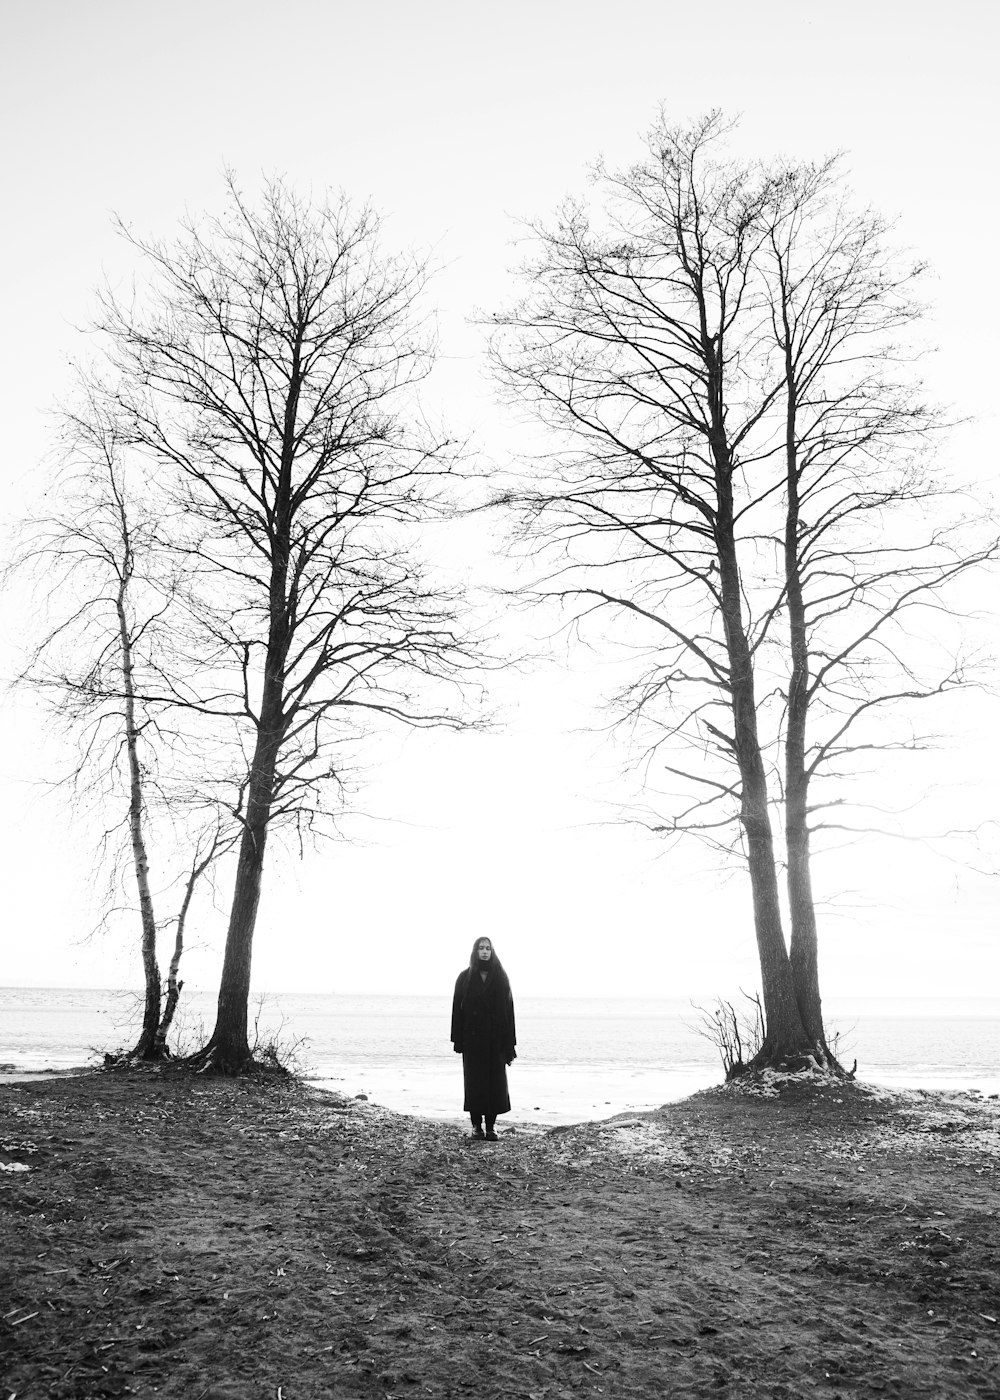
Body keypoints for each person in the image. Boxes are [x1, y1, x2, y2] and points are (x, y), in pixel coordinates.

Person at [450, 936, 516, 1141]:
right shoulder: (465, 977)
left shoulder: (501, 977)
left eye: (488, 948)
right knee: (474, 1083)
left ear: (492, 951)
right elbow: (456, 1010)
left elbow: (509, 1011)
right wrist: (457, 1039)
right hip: (473, 1040)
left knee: (495, 1084)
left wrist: (509, 1044)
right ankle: (476, 1127)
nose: (485, 951)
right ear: (475, 951)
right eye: (481, 948)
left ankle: (491, 1127)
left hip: (495, 1040)